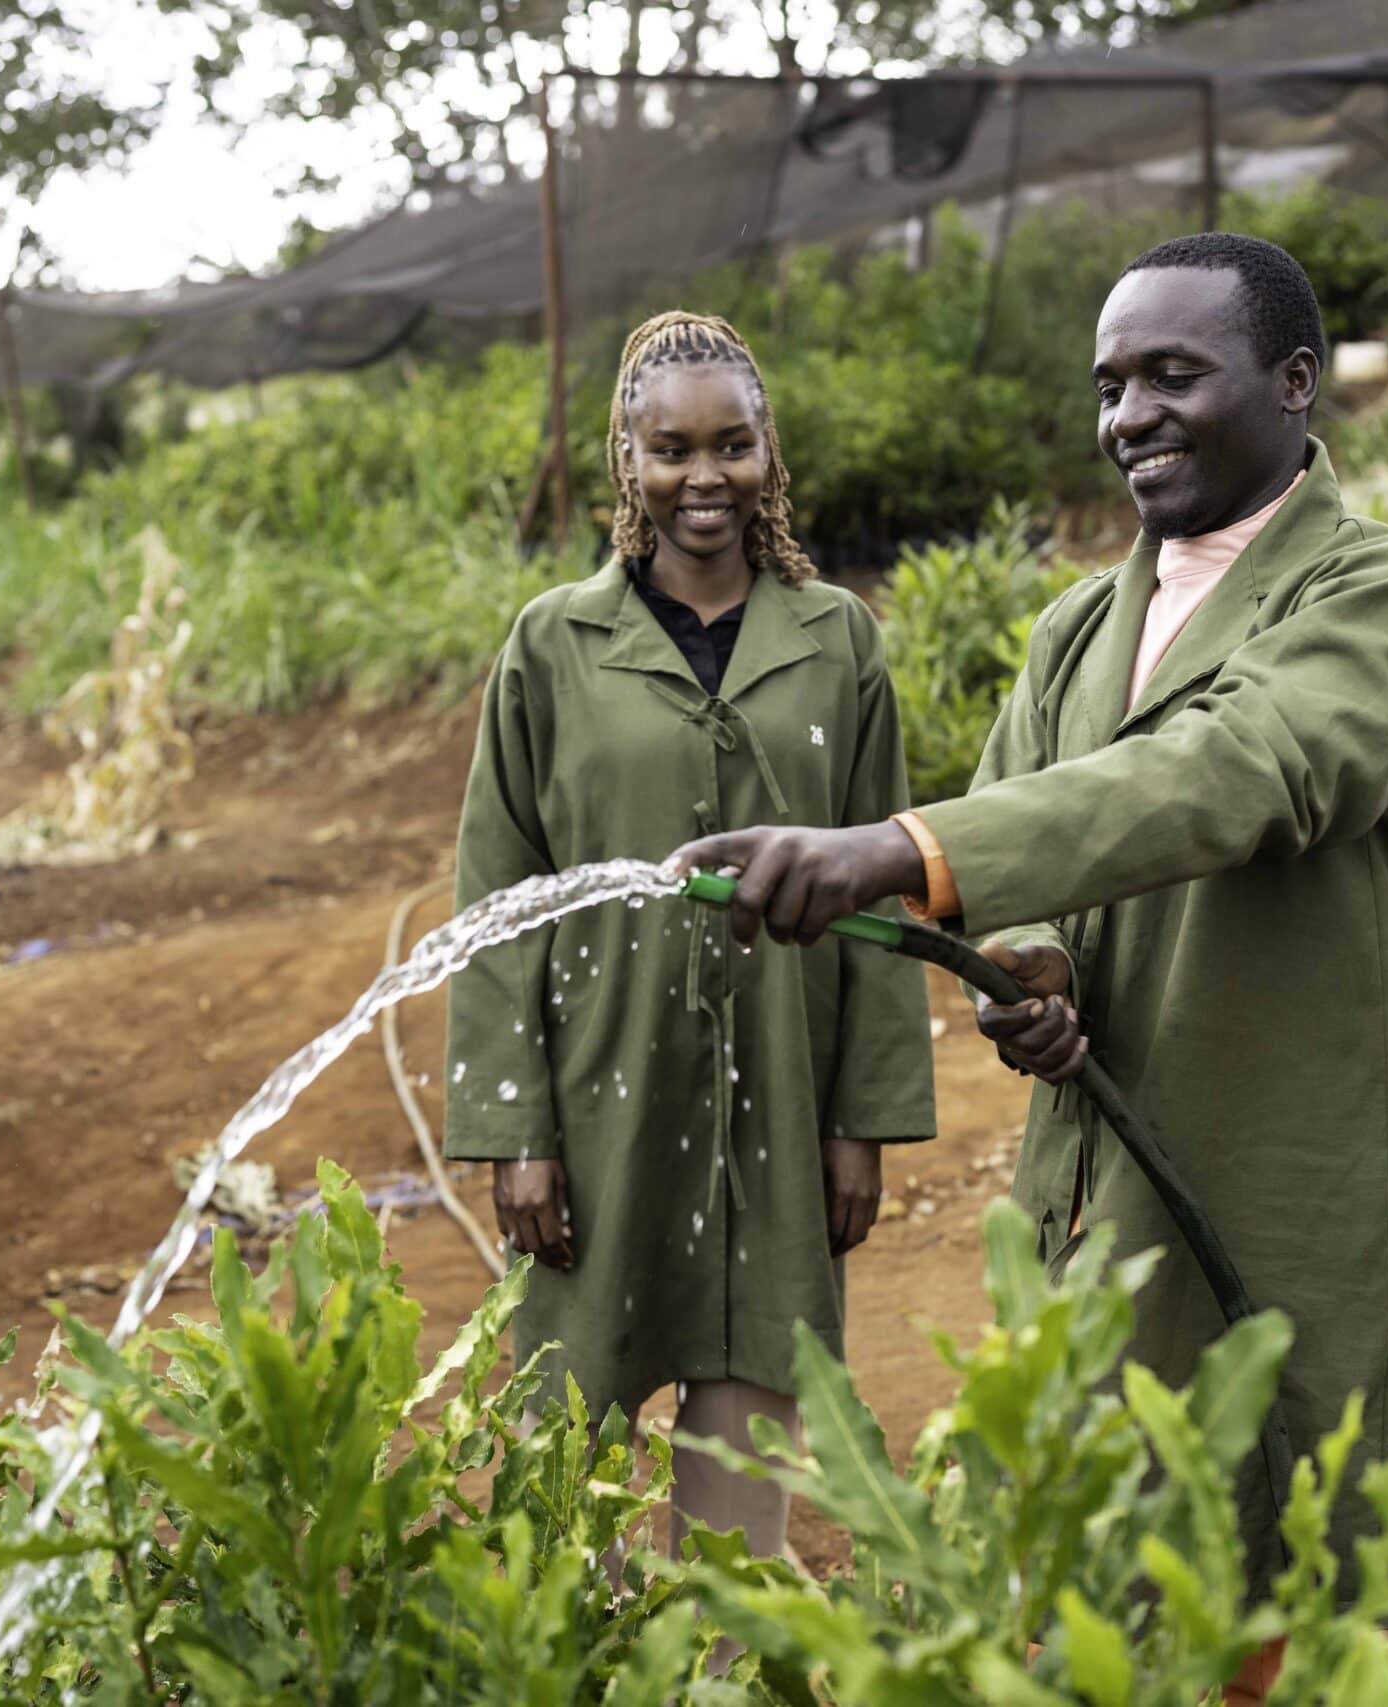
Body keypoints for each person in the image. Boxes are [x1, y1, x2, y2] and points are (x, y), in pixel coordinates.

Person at [668, 236, 1388, 1688]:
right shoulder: (1074, 630)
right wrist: (1030, 972)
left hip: (1281, 1164)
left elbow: (1244, 766)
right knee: (1100, 1557)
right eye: (1111, 385)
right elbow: (1025, 872)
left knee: (1279, 1565)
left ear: (1297, 384)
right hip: (1094, 1175)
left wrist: (893, 846)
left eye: (1176, 373)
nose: (1130, 417)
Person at [443, 311, 936, 1571]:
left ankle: (725, 1670)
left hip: (781, 1085)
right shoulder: (552, 645)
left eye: (731, 445)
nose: (701, 477)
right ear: (627, 458)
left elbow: (886, 907)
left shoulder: (838, 642)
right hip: (599, 1093)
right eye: (670, 449)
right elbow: (499, 894)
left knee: (749, 1427)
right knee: (573, 1436)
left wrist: (858, 1122)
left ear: (771, 453)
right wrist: (516, 1133)